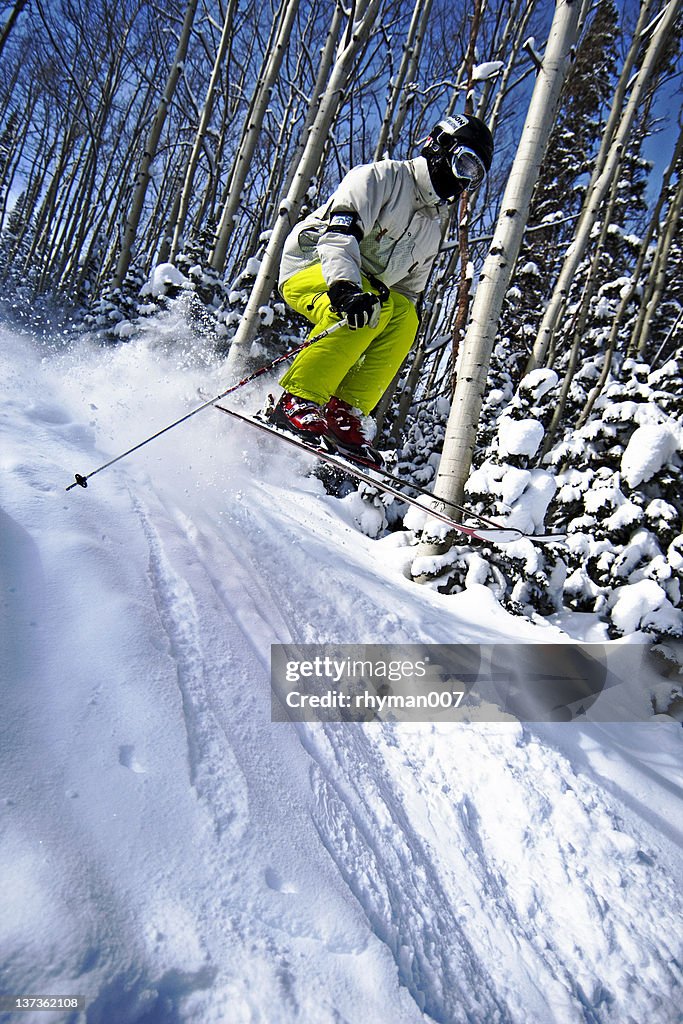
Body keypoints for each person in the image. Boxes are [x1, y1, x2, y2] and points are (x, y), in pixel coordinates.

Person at [273, 113, 494, 466]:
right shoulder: (382, 178)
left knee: (405, 317)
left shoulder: (433, 227)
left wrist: (372, 301)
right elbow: (338, 233)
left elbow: (407, 292)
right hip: (313, 265)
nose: (463, 181)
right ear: (439, 149)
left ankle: (343, 412)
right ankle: (297, 398)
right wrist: (345, 288)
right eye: (463, 163)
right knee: (373, 306)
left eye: (474, 175)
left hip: (365, 289)